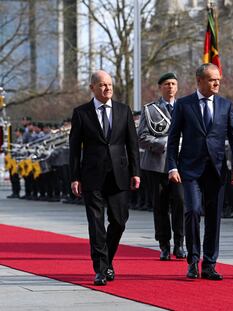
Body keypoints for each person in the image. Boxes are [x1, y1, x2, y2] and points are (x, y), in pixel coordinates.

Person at [167, 63, 233, 280]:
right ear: (199, 81)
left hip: (216, 170)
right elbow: (173, 139)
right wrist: (172, 166)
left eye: (218, 78)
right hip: (189, 170)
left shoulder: (226, 106)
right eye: (212, 79)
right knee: (192, 211)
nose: (217, 83)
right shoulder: (183, 105)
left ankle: (209, 264)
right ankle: (193, 260)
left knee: (213, 217)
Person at [69, 70, 141, 286]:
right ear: (92, 88)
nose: (107, 88)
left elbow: (132, 145)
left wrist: (136, 172)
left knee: (119, 221)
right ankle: (100, 269)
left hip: (119, 175)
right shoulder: (81, 113)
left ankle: (107, 259)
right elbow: (74, 149)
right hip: (92, 176)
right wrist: (75, 177)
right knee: (96, 224)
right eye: (102, 85)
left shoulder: (123, 110)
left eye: (110, 84)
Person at [138, 72, 186, 260]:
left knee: (180, 204)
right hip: (157, 165)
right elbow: (142, 137)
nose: (171, 87)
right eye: (167, 84)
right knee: (160, 206)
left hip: (181, 166)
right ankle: (164, 244)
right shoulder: (150, 109)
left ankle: (180, 243)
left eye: (173, 83)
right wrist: (163, 143)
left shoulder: (185, 107)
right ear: (160, 87)